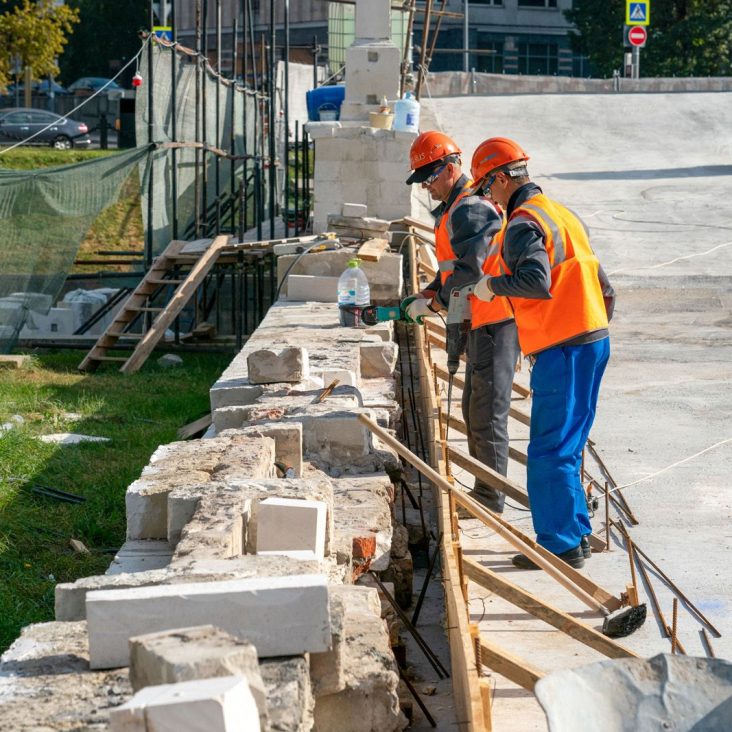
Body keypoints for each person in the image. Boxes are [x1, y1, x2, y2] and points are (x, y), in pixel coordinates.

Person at [471, 136, 615, 570]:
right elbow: (605, 287)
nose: (487, 197)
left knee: (549, 448)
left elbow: (536, 282)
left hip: (565, 348)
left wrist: (492, 285)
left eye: (486, 187)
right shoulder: (561, 214)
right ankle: (576, 534)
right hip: (592, 340)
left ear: (500, 178)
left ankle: (559, 544)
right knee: (568, 444)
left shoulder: (521, 223)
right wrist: (589, 326)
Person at [403, 130, 519, 512]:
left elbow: (473, 269)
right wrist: (431, 290)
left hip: (494, 321)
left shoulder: (470, 207)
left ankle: (491, 498)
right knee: (474, 407)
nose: (427, 188)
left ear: (450, 168)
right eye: (421, 181)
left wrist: (435, 301)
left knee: (486, 412)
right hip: (479, 321)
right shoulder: (456, 209)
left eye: (429, 178)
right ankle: (487, 491)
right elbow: (453, 266)